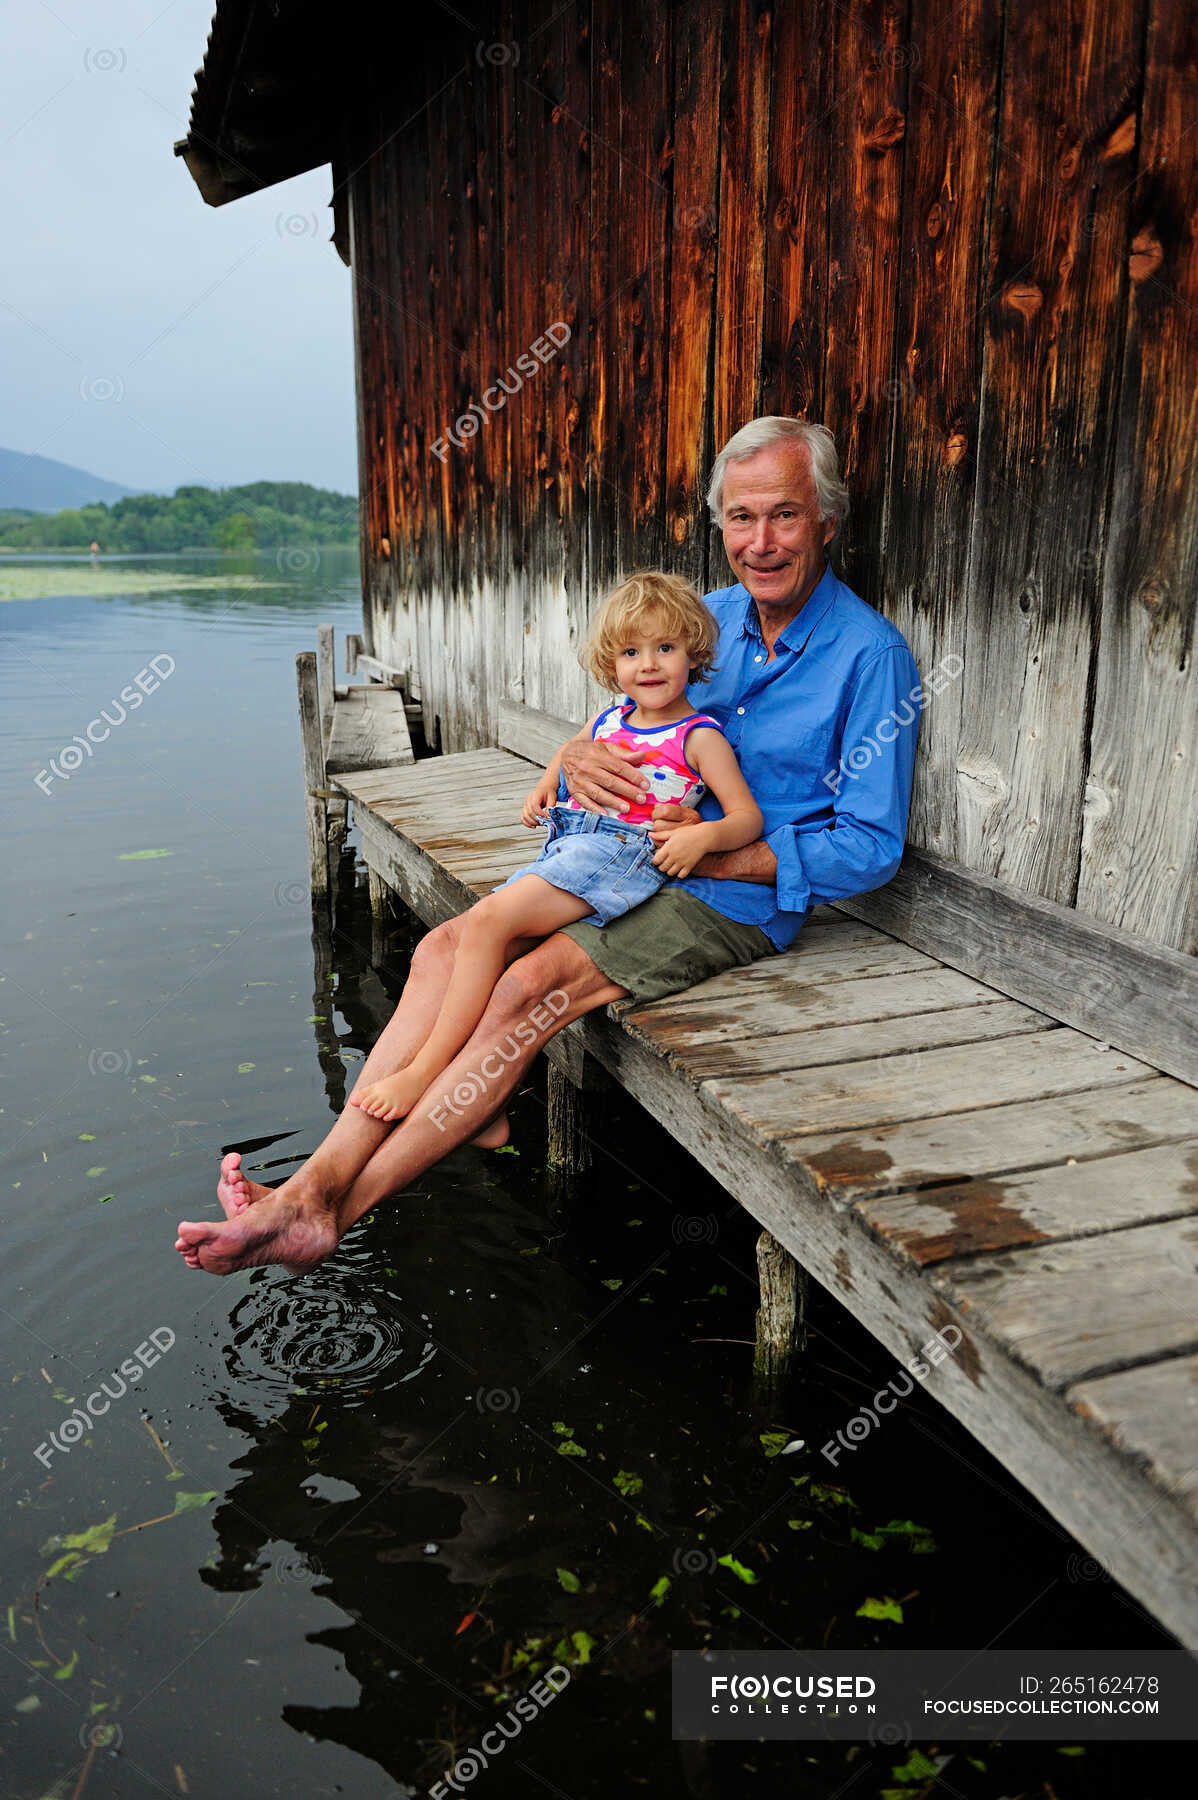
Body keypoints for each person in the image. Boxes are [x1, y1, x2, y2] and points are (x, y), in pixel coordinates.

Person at [176, 417, 921, 1276]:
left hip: (735, 895)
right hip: (617, 857)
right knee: (445, 948)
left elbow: (870, 849)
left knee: (527, 984)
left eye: (784, 516)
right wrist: (573, 755)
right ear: (718, 525)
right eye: (740, 518)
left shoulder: (871, 656)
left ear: (827, 521)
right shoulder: (699, 621)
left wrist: (713, 856)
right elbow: (631, 721)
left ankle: (329, 1212)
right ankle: (315, 1182)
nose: (760, 543)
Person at [348, 571, 762, 1124]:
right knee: (493, 935)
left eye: (666, 648)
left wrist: (704, 835)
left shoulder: (698, 737)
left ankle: (425, 1073)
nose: (649, 664)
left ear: (694, 653)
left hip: (622, 856)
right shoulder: (611, 718)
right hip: (573, 844)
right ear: (611, 664)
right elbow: (568, 755)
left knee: (489, 922)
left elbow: (746, 817)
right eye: (632, 652)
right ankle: (484, 1105)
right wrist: (544, 788)